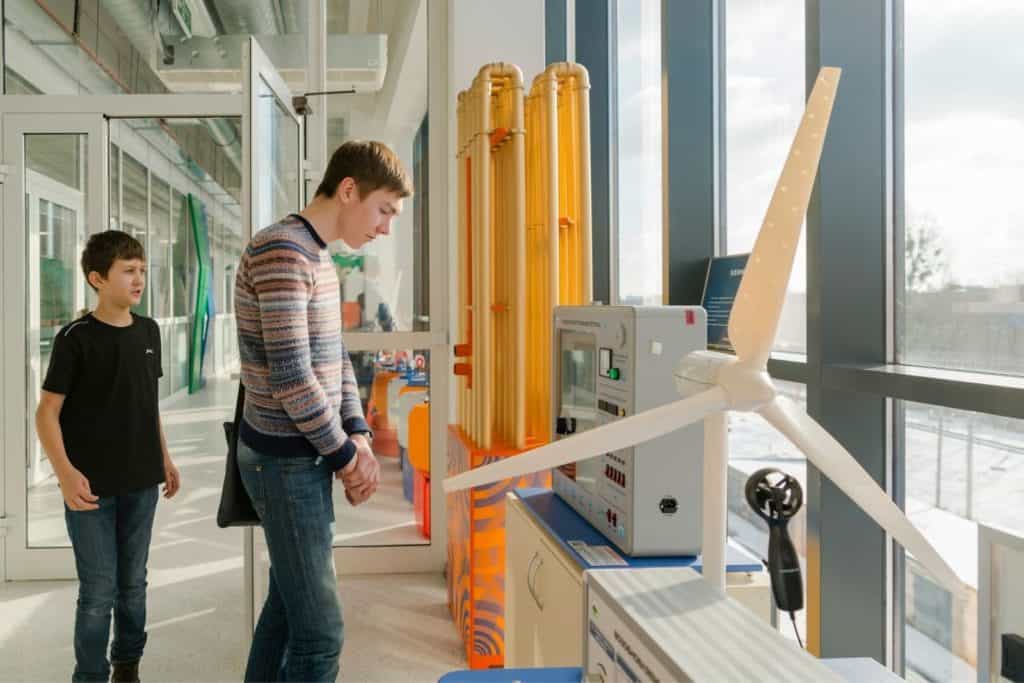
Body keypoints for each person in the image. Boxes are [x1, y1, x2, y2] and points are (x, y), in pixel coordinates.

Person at [234, 140, 413, 681]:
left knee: (288, 610)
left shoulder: (319, 258)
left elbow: (333, 359)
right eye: (383, 210)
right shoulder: (282, 252)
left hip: (304, 455)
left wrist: (357, 432)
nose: (385, 227)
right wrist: (345, 457)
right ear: (349, 189)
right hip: (284, 461)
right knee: (321, 633)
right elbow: (292, 375)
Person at [35, 230, 181, 683]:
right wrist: (64, 475)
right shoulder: (75, 338)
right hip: (89, 489)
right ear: (98, 279)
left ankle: (127, 665)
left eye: (141, 270)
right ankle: (90, 676)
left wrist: (166, 458)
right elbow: (46, 413)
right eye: (128, 271)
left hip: (141, 481)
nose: (139, 279)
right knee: (98, 591)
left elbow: (146, 404)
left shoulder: (149, 331)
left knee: (133, 585)